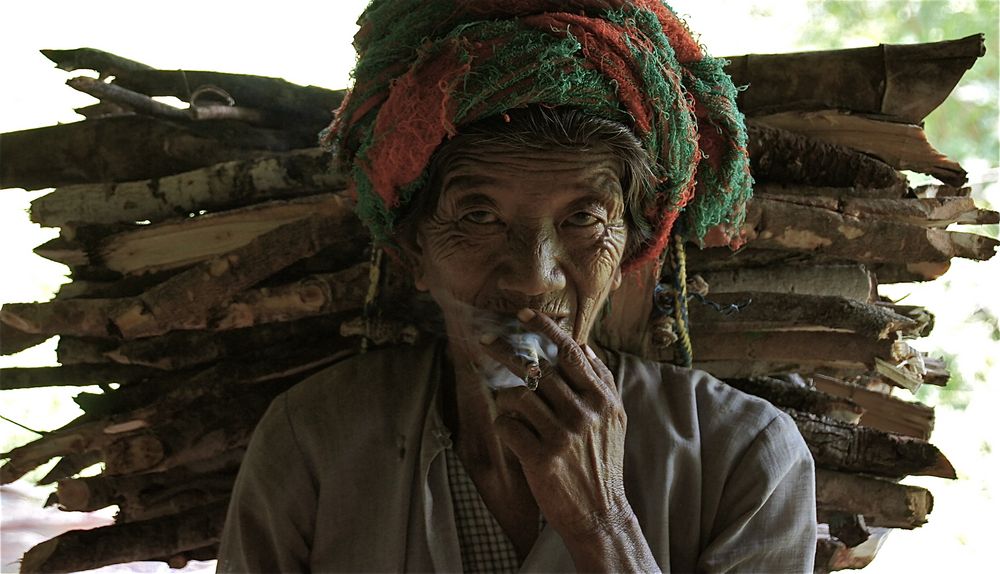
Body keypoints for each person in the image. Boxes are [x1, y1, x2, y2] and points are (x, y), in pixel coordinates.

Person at [217, 1, 817, 572]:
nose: (533, 277)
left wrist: (603, 525)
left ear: (631, 252)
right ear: (414, 251)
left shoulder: (746, 457)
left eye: (584, 218)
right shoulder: (312, 443)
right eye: (479, 217)